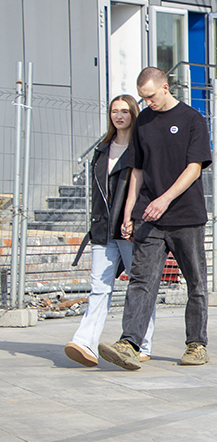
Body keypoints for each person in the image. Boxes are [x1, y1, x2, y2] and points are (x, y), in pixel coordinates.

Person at [98, 67, 212, 370]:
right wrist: (128, 212)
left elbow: (194, 168)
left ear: (165, 87)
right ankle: (129, 344)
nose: (147, 102)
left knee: (196, 282)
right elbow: (136, 170)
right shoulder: (144, 122)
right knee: (141, 281)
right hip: (148, 217)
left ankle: (196, 344)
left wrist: (165, 199)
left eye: (150, 96)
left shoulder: (192, 119)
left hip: (186, 216)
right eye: (143, 97)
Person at [64, 95, 156, 367]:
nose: (119, 116)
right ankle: (85, 343)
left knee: (139, 286)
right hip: (103, 229)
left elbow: (145, 188)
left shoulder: (142, 148)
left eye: (125, 111)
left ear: (134, 114)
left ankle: (142, 344)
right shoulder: (102, 149)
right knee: (99, 288)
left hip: (130, 229)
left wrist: (136, 219)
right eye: (114, 111)